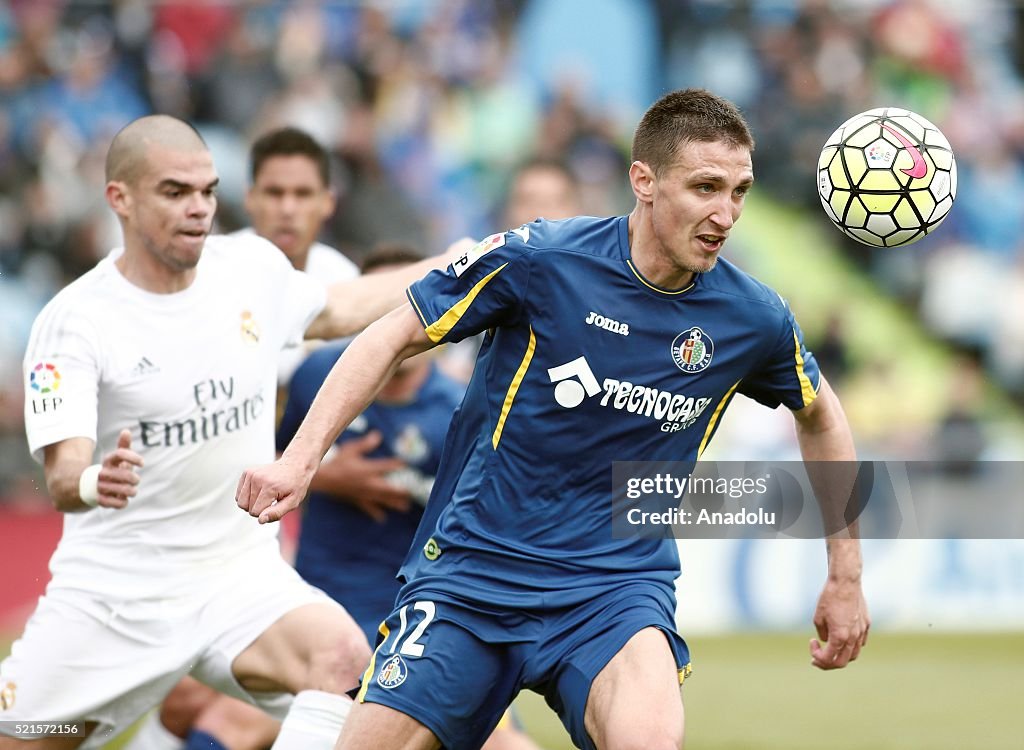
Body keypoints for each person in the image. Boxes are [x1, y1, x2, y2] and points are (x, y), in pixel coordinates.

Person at [238, 89, 870, 750]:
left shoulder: (752, 317)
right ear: (644, 181)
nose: (725, 213)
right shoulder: (542, 259)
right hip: (475, 575)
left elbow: (822, 415)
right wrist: (301, 458)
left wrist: (845, 577)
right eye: (706, 187)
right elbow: (389, 335)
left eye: (739, 191)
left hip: (615, 588)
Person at [0, 114, 459, 750]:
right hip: (115, 598)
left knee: (340, 657)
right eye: (174, 192)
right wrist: (92, 478)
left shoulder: (249, 269)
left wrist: (457, 263)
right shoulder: (74, 321)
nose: (198, 208)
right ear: (120, 199)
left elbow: (346, 308)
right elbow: (60, 475)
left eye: (208, 191)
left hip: (235, 577)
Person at [124, 125, 366, 750]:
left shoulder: (343, 287)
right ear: (251, 199)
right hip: (203, 519)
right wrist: (321, 468)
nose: (288, 208)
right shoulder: (209, 273)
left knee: (315, 681)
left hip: (310, 533)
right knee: (182, 699)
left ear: (327, 202)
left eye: (303, 193)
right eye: (275, 193)